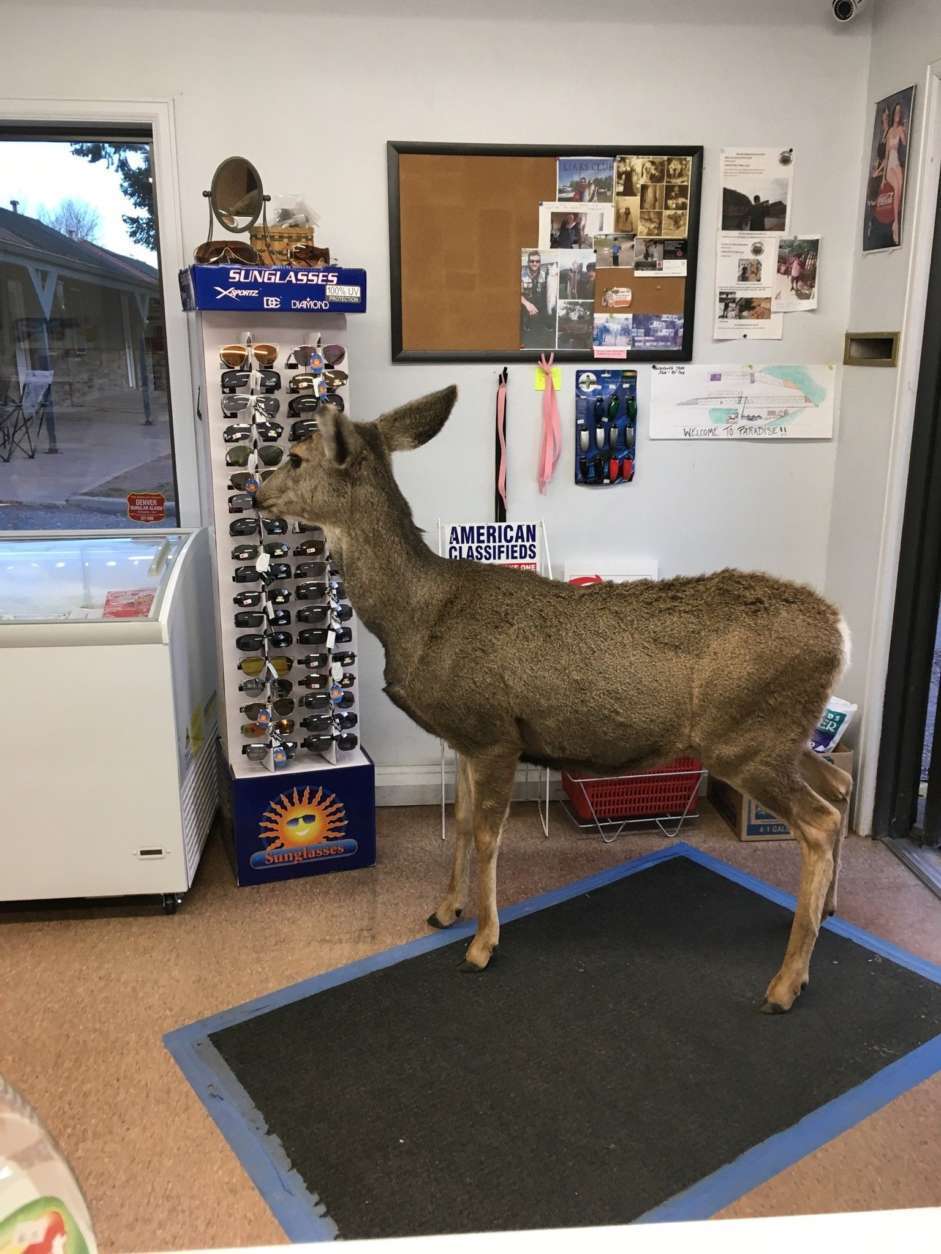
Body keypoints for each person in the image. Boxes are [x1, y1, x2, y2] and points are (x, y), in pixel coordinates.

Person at [520, 252, 555, 348]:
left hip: (542, 302)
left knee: (549, 312)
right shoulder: (521, 276)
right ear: (528, 262)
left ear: (540, 263)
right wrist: (527, 304)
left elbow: (551, 290)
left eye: (537, 261)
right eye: (532, 261)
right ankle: (527, 323)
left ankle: (547, 322)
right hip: (527, 303)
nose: (534, 263)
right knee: (526, 318)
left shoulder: (545, 275)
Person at [885, 101, 907, 245]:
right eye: (896, 112)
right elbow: (887, 155)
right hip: (890, 166)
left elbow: (905, 143)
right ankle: (896, 224)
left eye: (900, 112)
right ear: (894, 114)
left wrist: (903, 131)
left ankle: (896, 223)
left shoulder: (900, 130)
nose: (898, 114)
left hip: (897, 164)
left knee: (901, 188)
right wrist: (882, 178)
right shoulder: (889, 133)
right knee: (897, 188)